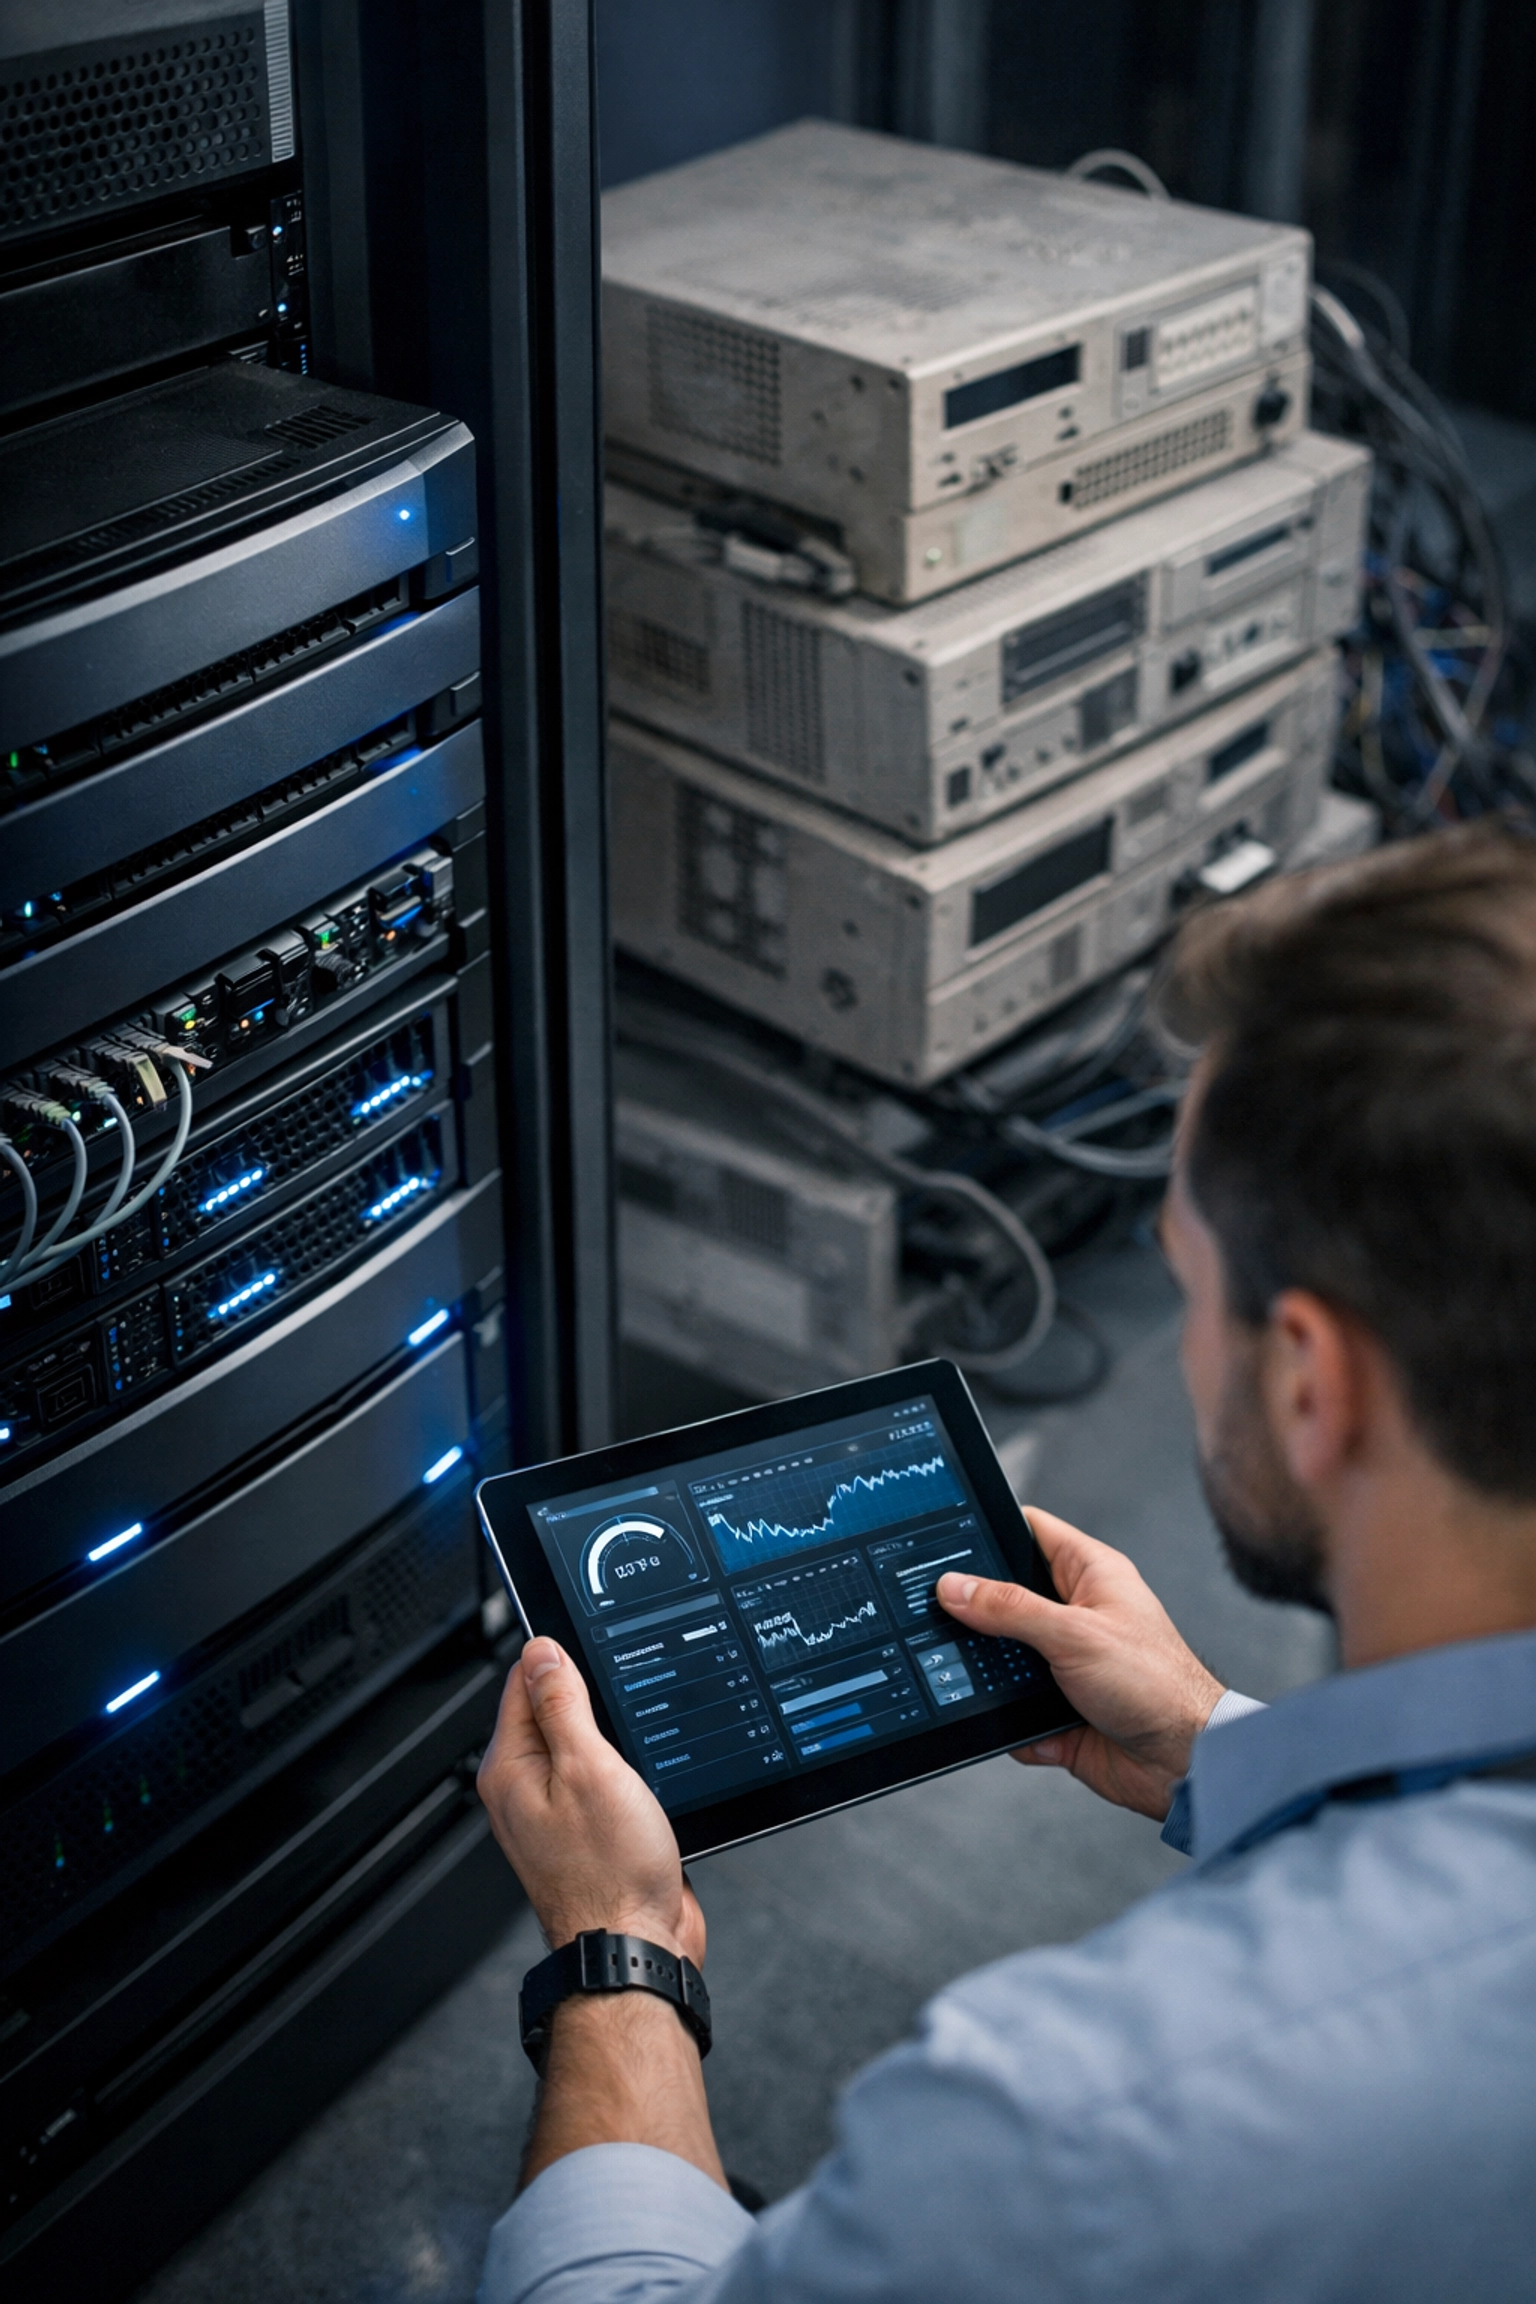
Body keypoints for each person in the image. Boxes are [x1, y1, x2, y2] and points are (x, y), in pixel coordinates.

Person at [476, 820, 1536, 2303]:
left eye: (1186, 1282)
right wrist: (1211, 1746)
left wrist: (615, 1946)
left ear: (1312, 1384)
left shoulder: (1072, 2121)